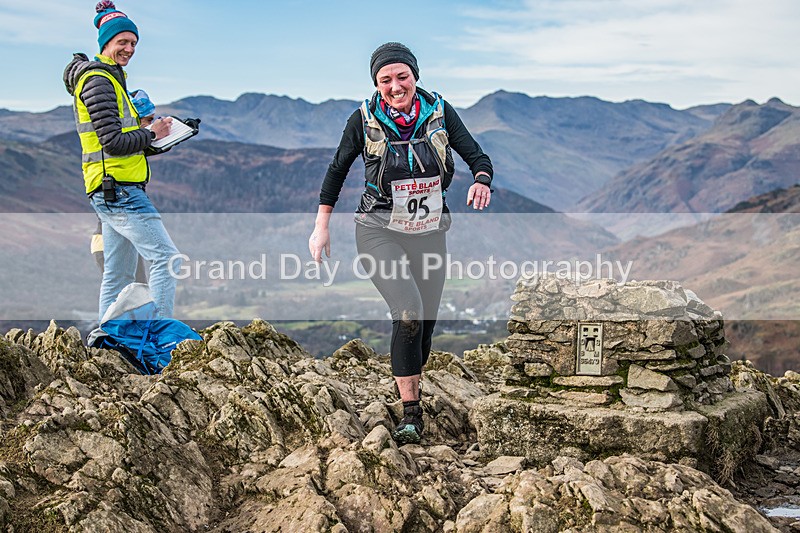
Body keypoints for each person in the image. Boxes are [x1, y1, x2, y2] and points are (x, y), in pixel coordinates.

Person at [309, 42, 493, 444]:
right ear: (377, 83)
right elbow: (336, 170)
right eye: (385, 80)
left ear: (415, 75)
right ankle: (411, 413)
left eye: (402, 77)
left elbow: (477, 157)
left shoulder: (440, 112)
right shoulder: (363, 119)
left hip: (428, 231)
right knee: (407, 312)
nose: (395, 86)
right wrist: (321, 227)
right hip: (378, 229)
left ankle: (409, 377)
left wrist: (482, 180)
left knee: (425, 322)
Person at [63, 1, 181, 324]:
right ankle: (157, 341)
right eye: (123, 42)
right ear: (106, 44)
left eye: (133, 43)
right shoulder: (99, 81)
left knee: (118, 275)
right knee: (166, 259)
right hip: (118, 191)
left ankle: (106, 347)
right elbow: (113, 143)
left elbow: (123, 141)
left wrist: (156, 137)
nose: (129, 48)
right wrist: (151, 132)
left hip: (114, 188)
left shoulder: (114, 80)